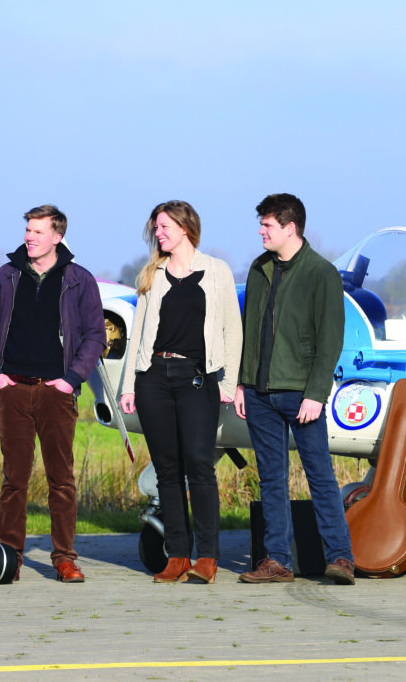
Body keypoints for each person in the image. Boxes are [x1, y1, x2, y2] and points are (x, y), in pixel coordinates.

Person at [0, 204, 107, 583]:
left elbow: (95, 335)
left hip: (57, 393)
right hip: (13, 388)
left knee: (61, 480)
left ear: (57, 236)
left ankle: (65, 558)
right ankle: (9, 556)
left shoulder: (79, 279)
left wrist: (70, 378)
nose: (28, 237)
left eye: (37, 231)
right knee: (14, 479)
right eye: (27, 230)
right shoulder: (6, 276)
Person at [234, 193, 355, 585]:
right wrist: (241, 382)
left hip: (301, 394)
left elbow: (330, 340)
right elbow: (248, 332)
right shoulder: (259, 268)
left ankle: (341, 558)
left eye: (267, 225)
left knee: (320, 475)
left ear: (290, 228)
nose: (261, 231)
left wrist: (316, 394)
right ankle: (277, 562)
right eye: (262, 224)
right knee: (271, 478)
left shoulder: (322, 273)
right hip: (258, 393)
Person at [118, 201, 242, 584]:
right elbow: (138, 331)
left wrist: (227, 381)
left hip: (196, 377)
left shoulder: (217, 271)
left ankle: (207, 557)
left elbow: (231, 331)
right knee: (167, 471)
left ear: (186, 228)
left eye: (165, 226)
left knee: (199, 467)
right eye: (156, 227)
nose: (158, 232)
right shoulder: (153, 273)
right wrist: (129, 385)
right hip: (153, 377)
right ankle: (177, 556)